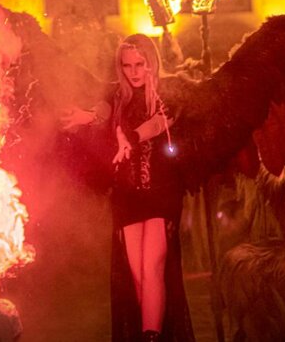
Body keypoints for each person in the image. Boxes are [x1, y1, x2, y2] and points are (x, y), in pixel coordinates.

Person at [62, 33, 194, 342]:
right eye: (127, 66)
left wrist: (130, 138)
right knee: (138, 274)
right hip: (127, 195)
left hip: (162, 190)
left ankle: (151, 337)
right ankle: (149, 333)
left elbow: (161, 123)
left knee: (153, 267)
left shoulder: (168, 92)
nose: (134, 72)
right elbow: (103, 110)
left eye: (140, 64)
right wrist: (88, 116)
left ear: (152, 63)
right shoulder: (116, 96)